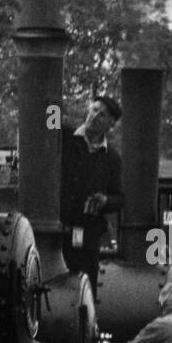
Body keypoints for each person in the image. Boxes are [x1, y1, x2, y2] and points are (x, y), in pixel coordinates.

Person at [60, 93, 123, 294]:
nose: (94, 116)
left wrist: (104, 201)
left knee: (86, 287)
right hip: (57, 229)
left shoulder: (112, 158)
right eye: (94, 110)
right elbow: (46, 121)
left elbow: (120, 198)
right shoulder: (64, 136)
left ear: (110, 124)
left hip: (88, 236)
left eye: (102, 115)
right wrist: (51, 101)